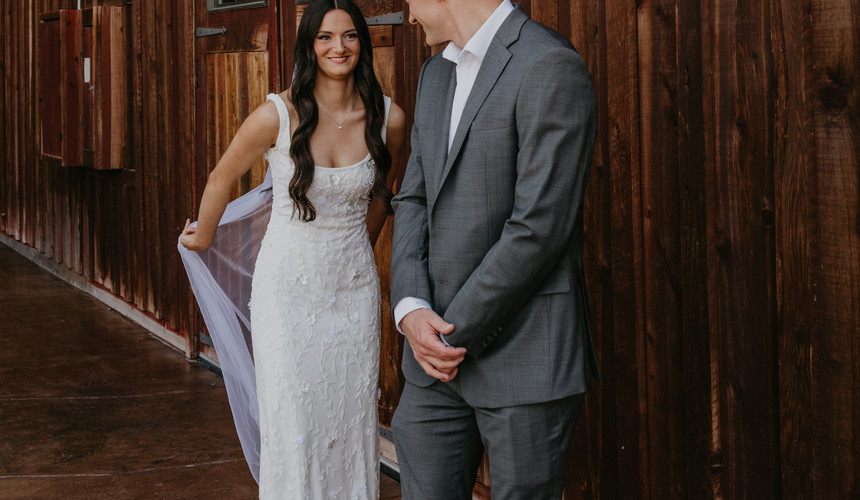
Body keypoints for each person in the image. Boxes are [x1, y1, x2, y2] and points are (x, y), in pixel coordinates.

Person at [179, 0, 405, 497]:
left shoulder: (389, 118)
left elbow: (382, 196)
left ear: (363, 44)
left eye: (349, 36)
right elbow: (221, 177)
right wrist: (205, 235)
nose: (338, 47)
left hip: (353, 291)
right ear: (309, 45)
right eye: (325, 37)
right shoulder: (277, 114)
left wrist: (357, 254)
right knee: (295, 418)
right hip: (287, 292)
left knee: (349, 417)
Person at [390, 0, 600, 497]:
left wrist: (446, 336)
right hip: (429, 366)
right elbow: (413, 197)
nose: (409, 17)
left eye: (409, 2)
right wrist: (410, 309)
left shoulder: (549, 64)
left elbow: (539, 228)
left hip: (524, 357)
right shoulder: (435, 74)